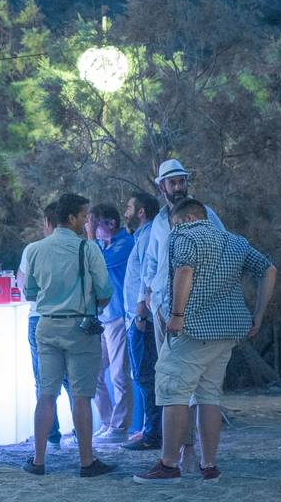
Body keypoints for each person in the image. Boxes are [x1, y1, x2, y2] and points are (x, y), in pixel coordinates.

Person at [134, 199, 276, 484]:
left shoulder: (183, 235)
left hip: (194, 331)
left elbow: (183, 271)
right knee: (209, 396)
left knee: (173, 391)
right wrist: (258, 314)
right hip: (227, 332)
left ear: (184, 219)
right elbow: (269, 270)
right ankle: (209, 466)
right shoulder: (235, 241)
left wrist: (176, 314)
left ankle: (169, 464)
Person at [22, 193, 116, 478]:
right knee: (81, 397)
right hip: (79, 328)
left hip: (47, 326)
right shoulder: (88, 249)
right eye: (84, 215)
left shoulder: (35, 249)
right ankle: (86, 462)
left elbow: (29, 292)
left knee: (46, 394)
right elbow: (105, 291)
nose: (87, 221)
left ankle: (38, 461)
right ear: (72, 217)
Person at [141, 158, 224, 470]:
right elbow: (151, 261)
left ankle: (187, 455)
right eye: (172, 182)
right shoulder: (159, 222)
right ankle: (184, 450)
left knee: (190, 382)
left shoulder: (205, 214)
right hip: (162, 306)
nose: (178, 187)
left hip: (192, 307)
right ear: (161, 186)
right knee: (169, 379)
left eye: (181, 181)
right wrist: (147, 296)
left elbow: (222, 250)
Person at [18, 201, 69, 451]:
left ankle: (51, 434)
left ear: (48, 223)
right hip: (71, 316)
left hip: (39, 317)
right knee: (73, 380)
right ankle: (82, 435)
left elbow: (25, 288)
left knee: (44, 381)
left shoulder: (34, 249)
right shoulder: (82, 248)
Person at [88, 204, 134, 444]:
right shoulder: (101, 245)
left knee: (118, 374)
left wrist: (88, 240)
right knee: (94, 373)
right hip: (102, 318)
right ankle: (107, 423)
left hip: (118, 317)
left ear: (111, 224)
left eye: (95, 224)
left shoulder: (125, 244)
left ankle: (120, 427)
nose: (92, 229)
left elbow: (98, 264)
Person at [121, 191, 163, 451]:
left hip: (141, 319)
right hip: (135, 317)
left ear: (141, 211)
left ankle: (152, 435)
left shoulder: (148, 237)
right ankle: (150, 430)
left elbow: (148, 277)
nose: (125, 211)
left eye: (129, 207)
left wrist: (140, 314)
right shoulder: (140, 237)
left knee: (146, 376)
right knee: (143, 376)